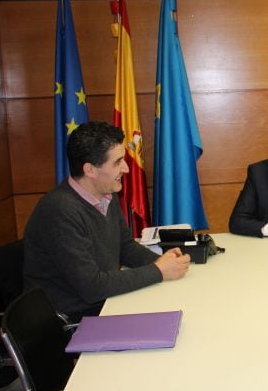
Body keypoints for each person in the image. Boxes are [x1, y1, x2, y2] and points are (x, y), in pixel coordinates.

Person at [23, 121, 190, 321]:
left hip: (104, 303)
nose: (127, 169)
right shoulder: (59, 211)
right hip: (72, 319)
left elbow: (125, 246)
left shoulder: (106, 194)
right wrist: (158, 271)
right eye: (117, 162)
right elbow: (92, 287)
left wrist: (161, 261)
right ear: (90, 170)